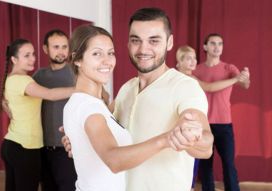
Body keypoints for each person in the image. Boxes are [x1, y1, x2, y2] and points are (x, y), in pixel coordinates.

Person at [62, 8, 214, 191]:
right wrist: (80, 140)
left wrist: (189, 136)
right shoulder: (126, 89)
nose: (143, 49)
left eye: (154, 41)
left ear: (169, 42)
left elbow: (206, 145)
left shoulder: (185, 87)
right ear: (128, 44)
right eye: (136, 40)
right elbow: (106, 134)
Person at [0, 38, 74, 191]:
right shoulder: (23, 80)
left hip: (13, 145)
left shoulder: (13, 79)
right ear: (14, 59)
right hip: (25, 147)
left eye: (33, 54)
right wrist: (81, 89)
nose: (32, 58)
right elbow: (50, 94)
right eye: (26, 55)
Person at [175, 45, 242, 191]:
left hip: (196, 127)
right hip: (180, 127)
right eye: (188, 58)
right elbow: (209, 87)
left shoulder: (192, 78)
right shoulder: (176, 78)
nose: (193, 61)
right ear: (179, 62)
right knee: (185, 165)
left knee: (196, 164)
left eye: (194, 58)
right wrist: (235, 79)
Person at [193, 33, 250, 191]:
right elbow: (208, 87)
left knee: (229, 165)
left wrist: (245, 77)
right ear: (205, 47)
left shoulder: (229, 68)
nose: (217, 47)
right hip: (203, 125)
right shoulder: (197, 70)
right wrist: (236, 79)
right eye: (213, 43)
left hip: (224, 125)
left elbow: (245, 84)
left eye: (220, 44)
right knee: (205, 167)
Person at [33, 29, 77, 191]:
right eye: (56, 47)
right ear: (45, 49)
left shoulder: (77, 73)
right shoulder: (39, 76)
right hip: (43, 147)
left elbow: (102, 96)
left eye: (64, 47)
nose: (61, 51)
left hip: (68, 148)